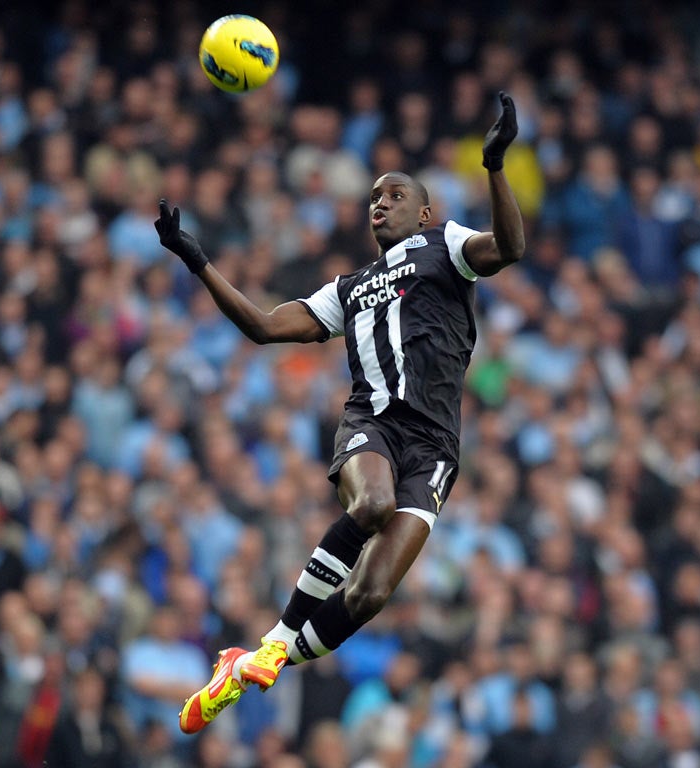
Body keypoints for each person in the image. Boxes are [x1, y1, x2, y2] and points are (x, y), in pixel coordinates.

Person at [156, 93, 525, 734]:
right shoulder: (349, 288)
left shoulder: (448, 246)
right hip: (374, 424)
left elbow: (511, 247)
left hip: (436, 448)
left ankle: (245, 663)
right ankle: (271, 642)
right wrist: (198, 261)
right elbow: (267, 327)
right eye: (373, 196)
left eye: (394, 194)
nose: (379, 202)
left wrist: (495, 167)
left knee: (370, 594)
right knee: (371, 505)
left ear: (425, 210)